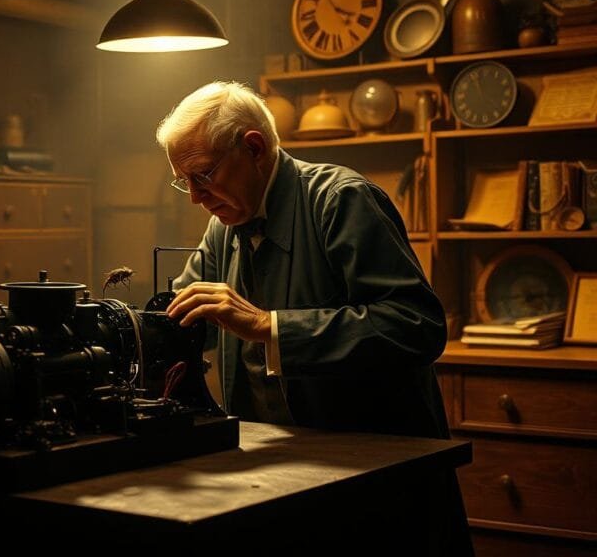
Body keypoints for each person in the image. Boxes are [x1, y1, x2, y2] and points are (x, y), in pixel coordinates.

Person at [158, 81, 471, 555]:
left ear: (254, 147)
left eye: (202, 175)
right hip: (281, 480)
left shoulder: (341, 199)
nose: (195, 198)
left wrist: (270, 327)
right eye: (185, 181)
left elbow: (416, 325)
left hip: (375, 485)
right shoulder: (223, 227)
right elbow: (180, 318)